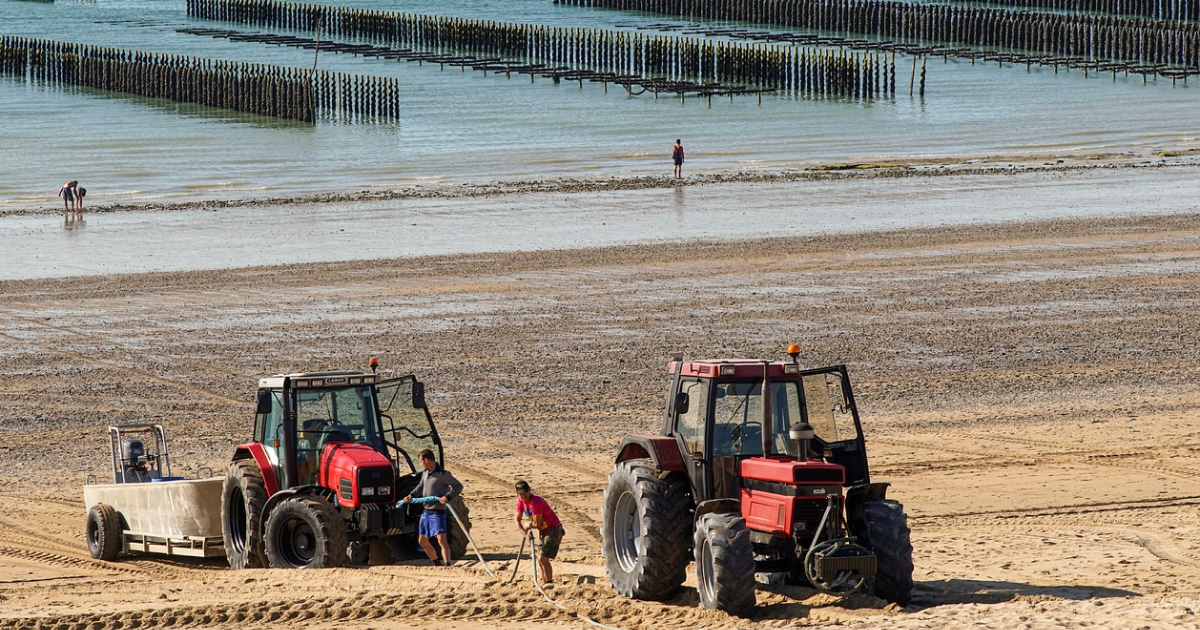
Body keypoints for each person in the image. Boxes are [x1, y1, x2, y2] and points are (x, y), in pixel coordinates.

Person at [403, 448, 464, 566]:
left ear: (426, 460)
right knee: (422, 540)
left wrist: (447, 497)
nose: (421, 463)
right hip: (426, 512)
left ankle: (447, 564)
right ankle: (436, 562)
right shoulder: (425, 473)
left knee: (441, 539)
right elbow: (420, 487)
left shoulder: (443, 474)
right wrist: (411, 495)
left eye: (421, 461)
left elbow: (458, 486)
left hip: (437, 512)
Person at [514, 479, 564, 585]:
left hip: (553, 530)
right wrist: (525, 535)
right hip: (544, 532)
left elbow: (536, 524)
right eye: (520, 494)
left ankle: (549, 584)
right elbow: (517, 520)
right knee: (540, 560)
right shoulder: (520, 502)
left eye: (525, 493)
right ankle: (545, 583)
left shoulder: (535, 502)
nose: (523, 496)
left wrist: (528, 525)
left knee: (543, 559)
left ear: (529, 490)